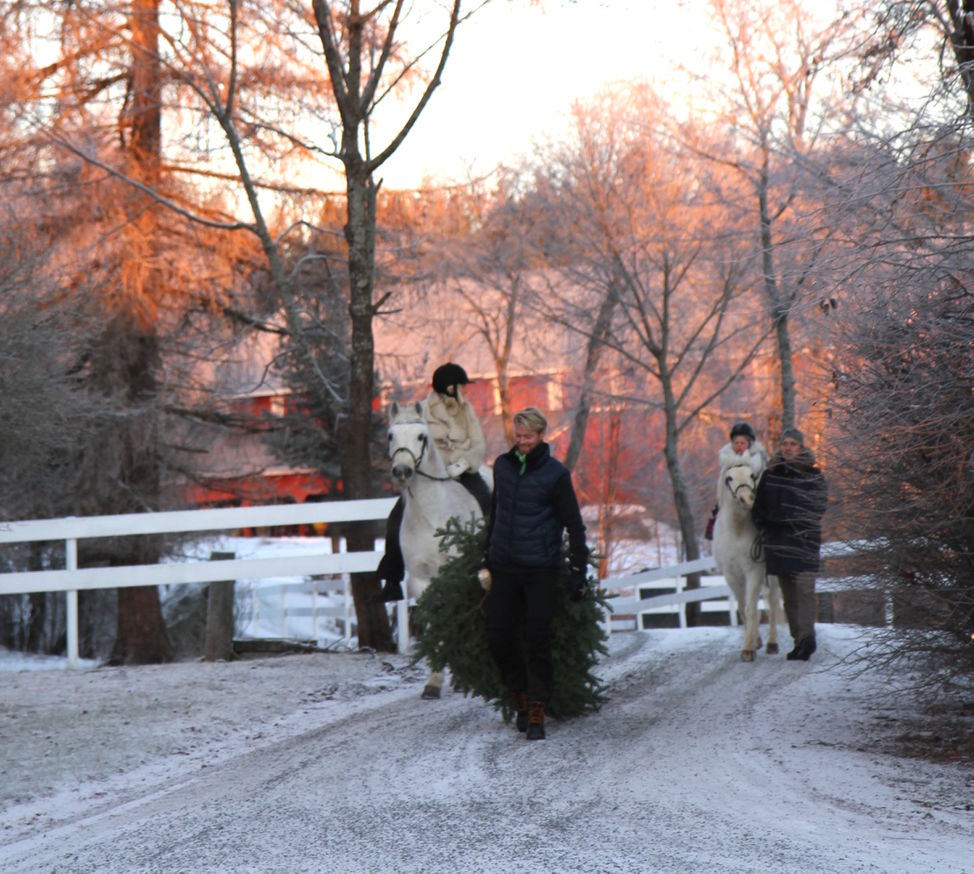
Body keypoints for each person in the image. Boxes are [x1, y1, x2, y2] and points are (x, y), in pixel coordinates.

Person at [482, 407, 589, 741]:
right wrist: (486, 555)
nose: (523, 442)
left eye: (528, 437)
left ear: (542, 435)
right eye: (519, 436)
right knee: (497, 634)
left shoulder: (556, 475)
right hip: (504, 565)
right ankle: (521, 696)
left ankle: (538, 708)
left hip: (541, 568)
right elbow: (496, 511)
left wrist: (577, 569)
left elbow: (573, 523)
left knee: (538, 637)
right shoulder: (502, 466)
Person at [374, 363, 490, 602]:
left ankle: (492, 563)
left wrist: (464, 463)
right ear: (446, 387)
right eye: (459, 385)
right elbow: (413, 442)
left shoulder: (466, 410)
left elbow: (478, 444)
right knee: (395, 517)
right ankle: (392, 579)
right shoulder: (422, 411)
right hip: (432, 474)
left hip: (464, 471)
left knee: (487, 502)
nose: (462, 390)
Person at [751, 427, 828, 661]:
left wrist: (787, 519)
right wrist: (765, 523)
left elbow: (817, 508)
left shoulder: (814, 476)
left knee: (805, 594)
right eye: (785, 444)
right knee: (790, 598)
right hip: (779, 545)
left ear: (801, 447)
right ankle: (799, 642)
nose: (788, 448)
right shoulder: (770, 475)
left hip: (804, 543)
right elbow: (758, 509)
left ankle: (807, 639)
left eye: (793, 444)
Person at [705, 421, 768, 540]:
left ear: (749, 444)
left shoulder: (757, 458)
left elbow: (757, 475)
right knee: (717, 511)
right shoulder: (727, 459)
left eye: (742, 443)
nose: (739, 446)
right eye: (736, 443)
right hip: (730, 495)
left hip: (754, 495)